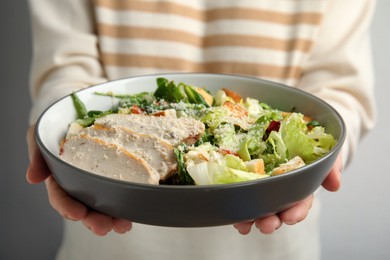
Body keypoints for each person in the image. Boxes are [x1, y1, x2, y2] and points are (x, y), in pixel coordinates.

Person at [26, 0, 376, 259]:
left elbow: (339, 85)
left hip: (273, 239)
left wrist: (324, 153)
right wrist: (51, 123)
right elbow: (66, 67)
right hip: (109, 229)